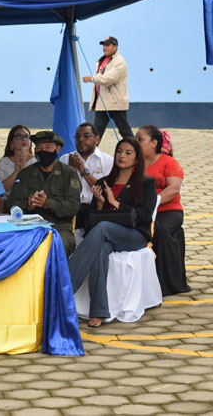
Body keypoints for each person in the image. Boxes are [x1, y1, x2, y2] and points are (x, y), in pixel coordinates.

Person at [69, 138, 157, 327]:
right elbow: (93, 221)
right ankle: (98, 311)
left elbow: (144, 216)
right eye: (119, 151)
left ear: (136, 159)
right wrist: (101, 204)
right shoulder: (104, 182)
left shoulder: (146, 183)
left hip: (134, 235)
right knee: (100, 249)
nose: (121, 156)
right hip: (106, 235)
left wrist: (115, 203)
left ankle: (64, 287)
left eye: (128, 153)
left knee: (103, 228)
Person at [8, 131, 81, 256]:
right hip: (29, 225)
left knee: (60, 244)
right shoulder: (25, 174)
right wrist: (28, 205)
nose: (43, 151)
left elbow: (73, 207)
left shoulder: (69, 173)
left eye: (48, 148)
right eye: (39, 148)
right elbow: (13, 204)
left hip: (58, 226)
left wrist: (48, 203)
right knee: (14, 245)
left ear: (58, 149)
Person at [136, 125, 189, 296]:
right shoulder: (135, 163)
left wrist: (153, 203)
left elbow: (173, 189)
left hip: (168, 210)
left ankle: (168, 284)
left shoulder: (169, 163)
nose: (136, 142)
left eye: (140, 139)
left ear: (153, 143)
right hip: (142, 210)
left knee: (160, 230)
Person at [60, 123, 114, 232]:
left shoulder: (108, 160)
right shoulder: (65, 159)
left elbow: (104, 190)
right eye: (77, 136)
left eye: (86, 136)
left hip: (96, 208)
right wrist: (71, 170)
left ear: (97, 139)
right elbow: (60, 189)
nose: (81, 140)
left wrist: (84, 171)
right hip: (71, 209)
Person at [82, 36, 133, 140]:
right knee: (97, 131)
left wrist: (92, 78)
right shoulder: (103, 60)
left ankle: (135, 148)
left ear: (115, 46)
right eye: (104, 45)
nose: (105, 47)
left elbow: (108, 79)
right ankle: (91, 149)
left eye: (108, 45)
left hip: (115, 103)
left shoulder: (120, 61)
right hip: (103, 102)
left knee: (124, 130)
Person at [0, 125, 37, 196]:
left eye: (26, 136)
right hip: (7, 201)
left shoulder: (36, 161)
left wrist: (23, 171)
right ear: (11, 143)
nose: (24, 139)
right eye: (19, 136)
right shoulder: (3, 162)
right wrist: (16, 172)